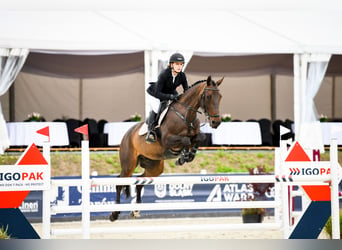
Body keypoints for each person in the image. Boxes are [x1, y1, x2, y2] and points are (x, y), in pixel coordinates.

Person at [145, 53, 189, 143]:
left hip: (170, 94)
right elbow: (158, 93)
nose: (179, 67)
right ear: (172, 64)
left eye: (181, 64)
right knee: (157, 109)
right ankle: (151, 131)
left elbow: (186, 90)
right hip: (155, 94)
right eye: (177, 64)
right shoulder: (164, 74)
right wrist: (170, 97)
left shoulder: (182, 76)